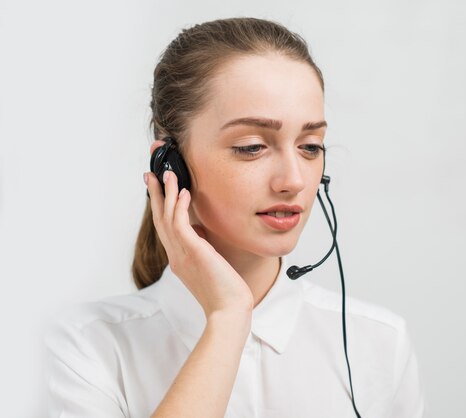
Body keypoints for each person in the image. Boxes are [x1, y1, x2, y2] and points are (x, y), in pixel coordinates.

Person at [43, 17, 426, 417]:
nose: (293, 180)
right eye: (252, 146)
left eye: (310, 147)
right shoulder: (85, 347)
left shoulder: (379, 343)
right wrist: (227, 319)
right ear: (170, 164)